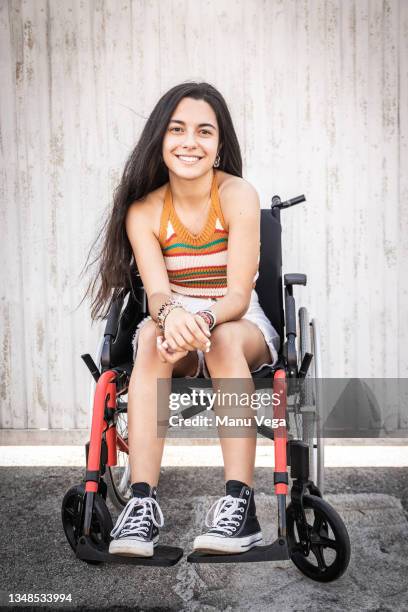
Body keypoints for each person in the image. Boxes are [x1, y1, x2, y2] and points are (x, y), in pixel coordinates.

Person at [83, 82, 280, 557]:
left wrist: (203, 320)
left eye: (204, 131)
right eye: (177, 129)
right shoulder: (144, 210)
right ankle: (142, 506)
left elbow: (236, 293)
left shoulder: (236, 195)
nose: (190, 141)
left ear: (219, 145)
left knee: (225, 341)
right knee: (150, 337)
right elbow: (156, 292)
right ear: (160, 139)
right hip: (175, 320)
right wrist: (172, 318)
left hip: (235, 319)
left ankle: (240, 507)